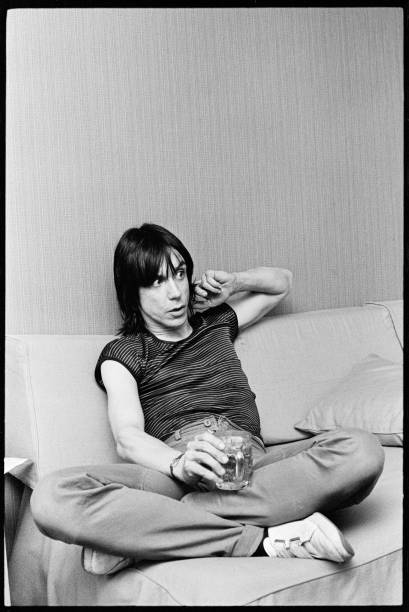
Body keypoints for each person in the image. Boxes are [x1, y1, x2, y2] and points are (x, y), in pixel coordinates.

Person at [31, 223, 385, 575]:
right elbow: (128, 437)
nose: (175, 292)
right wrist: (179, 464)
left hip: (250, 464)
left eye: (180, 274)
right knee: (52, 497)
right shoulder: (123, 353)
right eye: (156, 282)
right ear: (132, 293)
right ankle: (258, 541)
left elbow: (282, 283)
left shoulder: (215, 323)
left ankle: (152, 530)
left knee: (362, 451)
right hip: (174, 471)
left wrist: (237, 282)